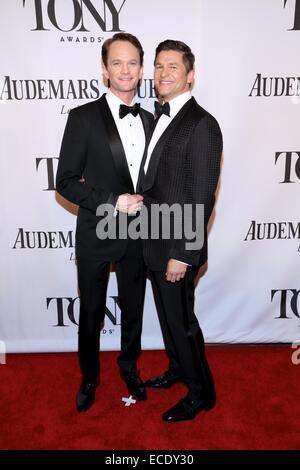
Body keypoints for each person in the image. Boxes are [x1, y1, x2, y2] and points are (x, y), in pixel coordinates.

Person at [56, 33, 153, 412]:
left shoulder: (151, 120)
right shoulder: (82, 118)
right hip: (97, 230)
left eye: (132, 63)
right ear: (104, 69)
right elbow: (65, 183)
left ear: (142, 70)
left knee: (133, 309)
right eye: (117, 63)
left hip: (139, 234)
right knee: (92, 311)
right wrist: (113, 202)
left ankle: (129, 368)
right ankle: (89, 376)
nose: (125, 70)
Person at [137, 40, 223, 422]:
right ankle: (177, 370)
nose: (163, 73)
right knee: (169, 318)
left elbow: (201, 195)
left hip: (176, 247)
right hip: (154, 239)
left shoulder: (201, 123)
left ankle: (202, 392)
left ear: (190, 75)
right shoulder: (159, 117)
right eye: (158, 66)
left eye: (173, 66)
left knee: (183, 322)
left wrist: (183, 253)